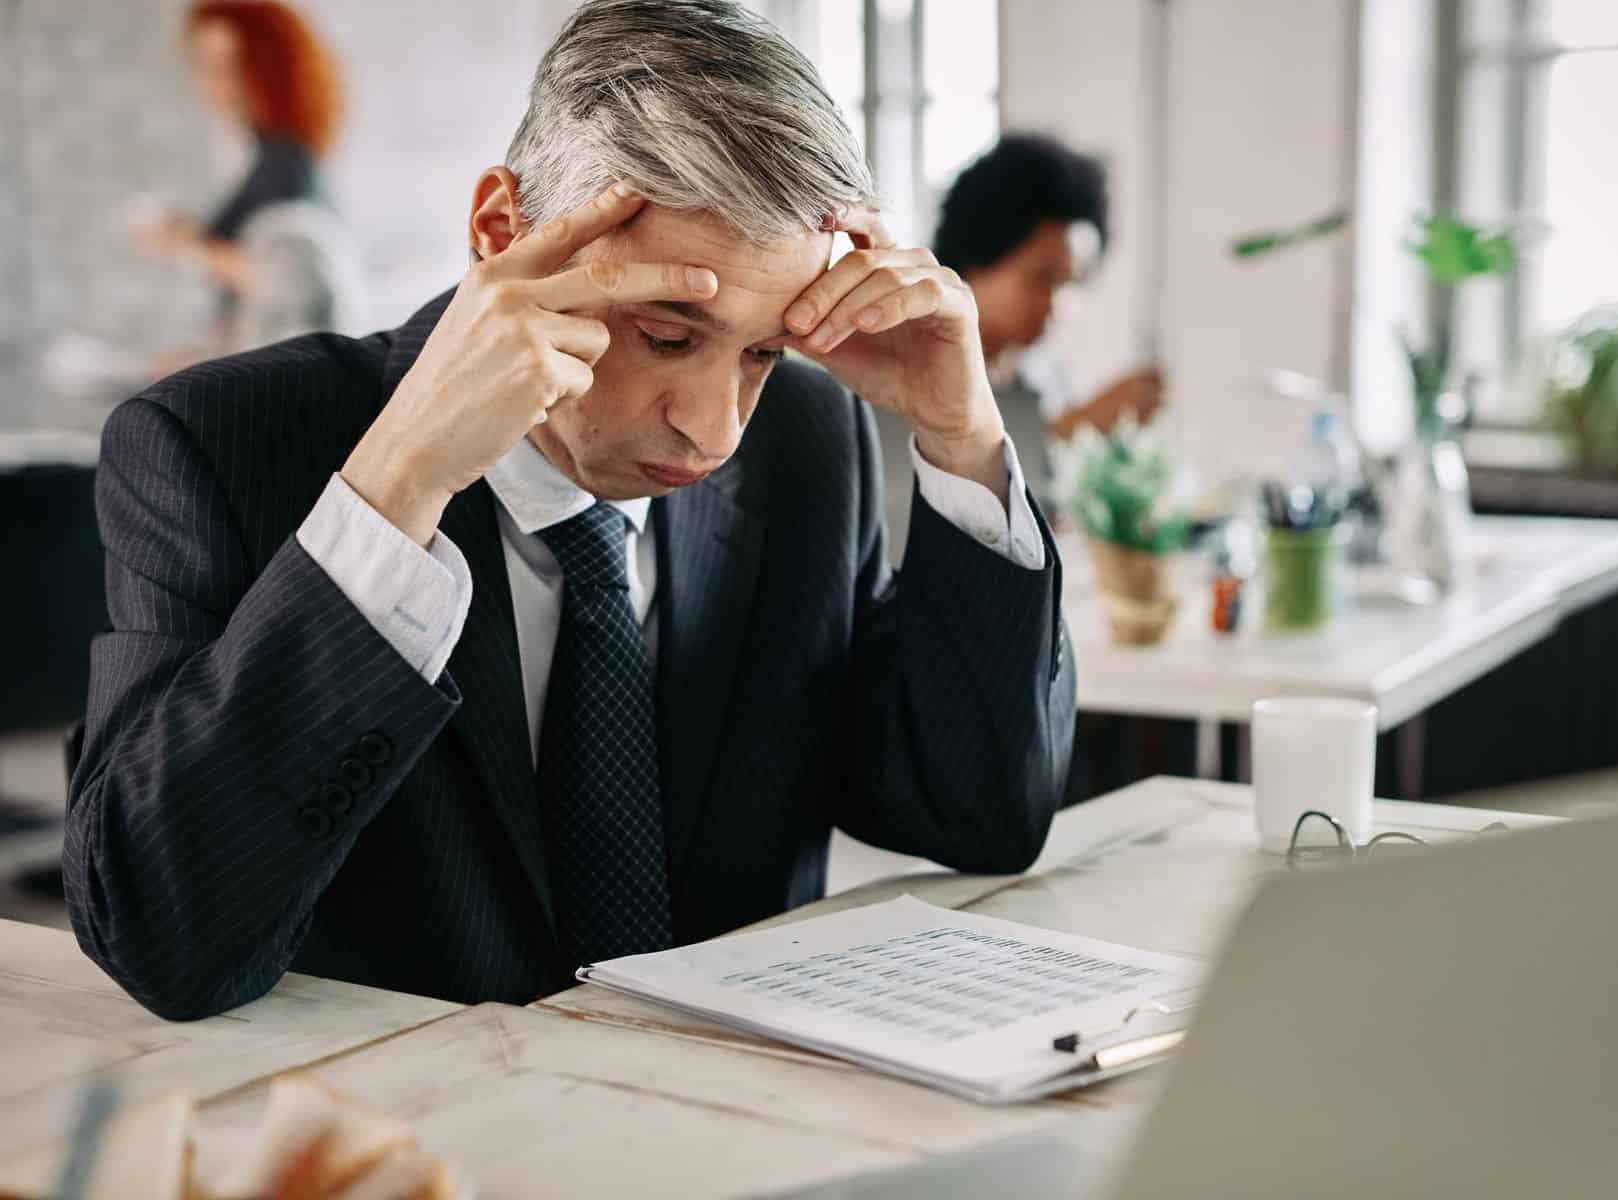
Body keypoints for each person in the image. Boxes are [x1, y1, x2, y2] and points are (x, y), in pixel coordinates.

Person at [66, 0, 1076, 1020]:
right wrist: (396, 490)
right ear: (504, 234)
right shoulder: (215, 448)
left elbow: (980, 817)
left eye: (764, 351)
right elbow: (162, 939)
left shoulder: (808, 446)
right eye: (668, 337)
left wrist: (962, 438)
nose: (716, 430)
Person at [933, 134, 1162, 501]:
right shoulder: (917, 366)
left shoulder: (1044, 369)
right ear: (976, 261)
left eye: (1072, 283)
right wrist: (1073, 429)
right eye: (1041, 279)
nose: (1057, 306)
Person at [134, 0, 363, 362]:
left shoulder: (285, 164)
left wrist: (190, 246)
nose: (210, 83)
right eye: (203, 65)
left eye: (227, 67)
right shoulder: (267, 156)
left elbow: (286, 283)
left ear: (266, 70)